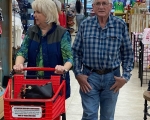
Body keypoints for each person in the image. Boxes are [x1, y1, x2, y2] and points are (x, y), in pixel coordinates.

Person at [72, 0, 134, 119]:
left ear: (110, 6)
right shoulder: (85, 25)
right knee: (89, 115)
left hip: (112, 78)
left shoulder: (120, 25)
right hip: (89, 77)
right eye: (98, 3)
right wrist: (78, 74)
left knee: (107, 116)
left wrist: (125, 77)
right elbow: (76, 51)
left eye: (104, 3)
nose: (101, 7)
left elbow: (127, 54)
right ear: (93, 7)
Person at [13, 0, 73, 99]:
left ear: (48, 13)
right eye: (34, 11)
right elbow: (23, 51)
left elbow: (69, 58)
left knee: (52, 112)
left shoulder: (61, 33)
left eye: (38, 12)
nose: (34, 15)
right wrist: (18, 64)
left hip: (54, 85)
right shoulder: (31, 31)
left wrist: (63, 68)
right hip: (33, 84)